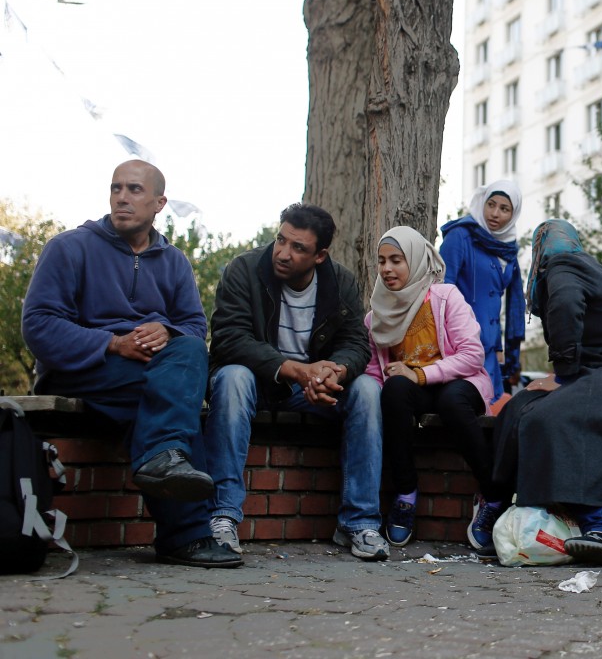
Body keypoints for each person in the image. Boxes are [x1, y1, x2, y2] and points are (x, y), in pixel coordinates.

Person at [21, 160, 240, 568]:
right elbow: (38, 324)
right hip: (82, 370)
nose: (122, 197)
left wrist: (167, 332)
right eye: (116, 188)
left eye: (135, 190)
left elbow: (193, 325)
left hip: (144, 375)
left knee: (183, 359)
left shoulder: (174, 261)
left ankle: (164, 459)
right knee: (175, 397)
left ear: (159, 203)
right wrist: (111, 343)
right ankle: (186, 535)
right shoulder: (69, 247)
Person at [204, 204, 388, 561]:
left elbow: (355, 344)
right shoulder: (245, 270)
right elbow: (229, 339)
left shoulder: (341, 282)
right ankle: (222, 517)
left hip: (310, 389)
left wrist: (332, 373)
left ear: (320, 255)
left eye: (298, 248)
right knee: (232, 377)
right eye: (280, 241)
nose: (283, 254)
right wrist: (295, 370)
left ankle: (359, 522)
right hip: (257, 384)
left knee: (366, 389)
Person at [493, 219, 602, 565]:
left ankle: (599, 525)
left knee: (552, 416)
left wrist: (562, 374)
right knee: (522, 405)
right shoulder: (582, 266)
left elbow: (566, 305)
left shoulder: (563, 264)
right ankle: (498, 505)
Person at [365, 226, 507, 560]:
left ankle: (493, 495)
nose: (387, 268)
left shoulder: (445, 297)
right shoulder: (375, 317)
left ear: (415, 260)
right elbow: (376, 371)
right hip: (416, 389)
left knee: (451, 402)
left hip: (462, 382)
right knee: (393, 390)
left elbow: (472, 355)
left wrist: (419, 373)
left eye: (396, 260)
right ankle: (405, 492)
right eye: (382, 261)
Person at [439, 180, 525, 408]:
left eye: (504, 209)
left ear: (513, 214)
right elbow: (441, 291)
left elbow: (515, 305)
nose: (495, 213)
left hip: (490, 353)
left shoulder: (509, 250)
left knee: (492, 416)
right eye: (491, 204)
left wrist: (511, 357)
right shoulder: (460, 236)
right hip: (459, 347)